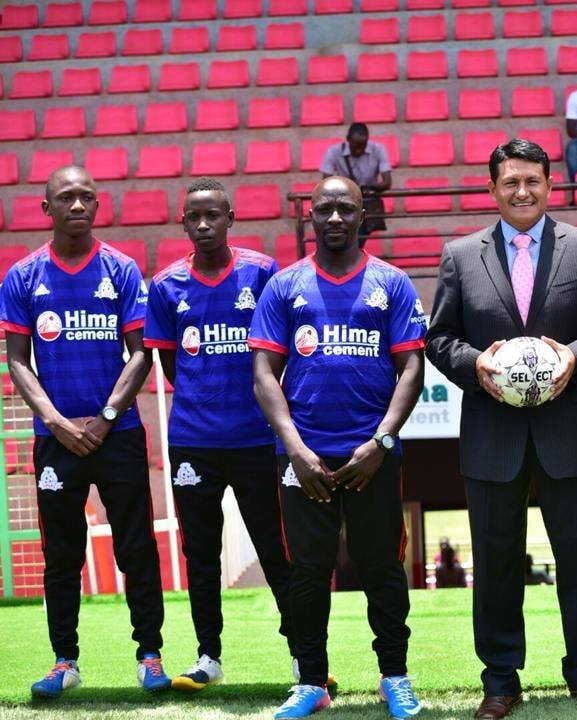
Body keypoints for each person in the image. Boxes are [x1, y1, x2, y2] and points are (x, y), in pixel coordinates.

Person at [426, 139, 577, 719]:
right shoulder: (460, 255)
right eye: (510, 181)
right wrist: (477, 366)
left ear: (549, 184)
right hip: (493, 433)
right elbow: (440, 340)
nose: (522, 191)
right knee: (493, 563)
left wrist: (574, 358)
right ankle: (500, 681)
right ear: (492, 188)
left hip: (572, 431)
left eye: (532, 181)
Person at [249, 176, 427, 720]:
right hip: (304, 461)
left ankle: (394, 676)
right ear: (311, 216)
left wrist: (381, 442)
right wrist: (296, 450)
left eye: (344, 208)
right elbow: (263, 371)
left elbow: (412, 368)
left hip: (371, 457)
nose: (332, 218)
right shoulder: (284, 286)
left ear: (362, 213)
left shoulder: (392, 283)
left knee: (381, 569)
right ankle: (310, 681)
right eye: (323, 208)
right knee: (307, 571)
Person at [0, 166, 170, 697]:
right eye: (66, 198)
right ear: (46, 208)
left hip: (116, 435)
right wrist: (55, 421)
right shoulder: (23, 277)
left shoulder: (120, 270)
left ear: (98, 207)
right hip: (56, 440)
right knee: (63, 555)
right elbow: (18, 361)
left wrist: (108, 417)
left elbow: (143, 353)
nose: (78, 205)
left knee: (136, 547)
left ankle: (150, 654)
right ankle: (64, 660)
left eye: (87, 197)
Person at [142, 178, 294, 692]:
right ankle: (208, 656)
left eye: (213, 215)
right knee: (200, 555)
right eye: (193, 217)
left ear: (231, 217)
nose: (203, 225)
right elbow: (169, 362)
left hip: (257, 440)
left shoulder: (262, 273)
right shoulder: (165, 286)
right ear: (183, 222)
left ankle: (303, 654)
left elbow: (279, 353)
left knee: (277, 549)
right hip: (193, 442)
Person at [318, 122, 392, 237]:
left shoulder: (378, 149)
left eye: (362, 146)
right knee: (353, 238)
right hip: (345, 203)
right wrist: (348, 187)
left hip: (368, 204)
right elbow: (326, 182)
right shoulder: (334, 151)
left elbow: (387, 182)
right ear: (347, 139)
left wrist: (367, 187)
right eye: (355, 147)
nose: (358, 150)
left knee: (355, 238)